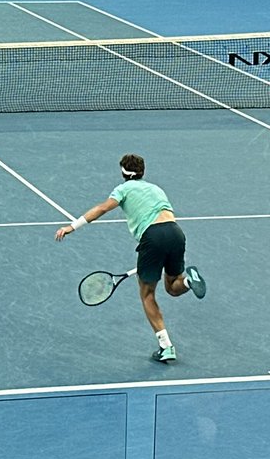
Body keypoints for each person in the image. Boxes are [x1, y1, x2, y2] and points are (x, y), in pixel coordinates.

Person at [54, 154, 206, 364]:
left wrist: (72, 226)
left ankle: (166, 347)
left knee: (147, 295)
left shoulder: (123, 189)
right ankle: (189, 280)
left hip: (152, 238)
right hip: (176, 233)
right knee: (172, 287)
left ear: (123, 172)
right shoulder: (156, 188)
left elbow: (102, 208)